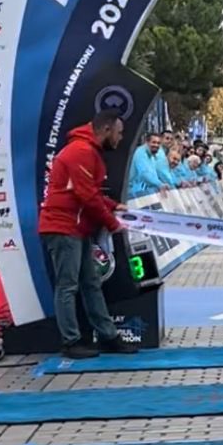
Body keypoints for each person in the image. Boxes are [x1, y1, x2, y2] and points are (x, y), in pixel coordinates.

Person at [38, 111, 139, 359]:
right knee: (68, 286)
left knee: (91, 283)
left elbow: (86, 192)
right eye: (119, 132)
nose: (120, 138)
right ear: (106, 129)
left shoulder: (85, 150)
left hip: (75, 228)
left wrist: (113, 205)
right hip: (63, 228)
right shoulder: (81, 151)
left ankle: (108, 337)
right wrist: (112, 222)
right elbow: (87, 196)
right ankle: (71, 341)